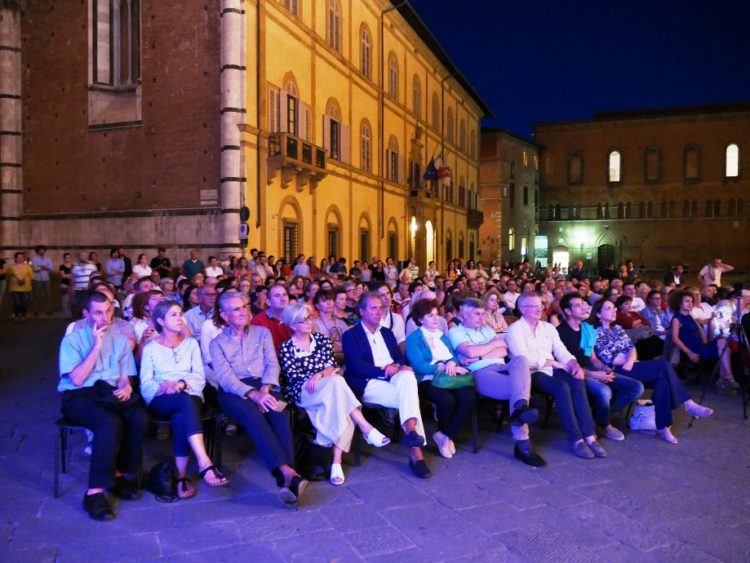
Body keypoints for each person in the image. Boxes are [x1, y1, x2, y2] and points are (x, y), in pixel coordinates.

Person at [209, 292, 308, 504]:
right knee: (253, 416)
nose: (244, 311)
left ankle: (287, 479)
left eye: (245, 305)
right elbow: (226, 378)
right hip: (235, 391)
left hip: (266, 385)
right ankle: (288, 473)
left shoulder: (262, 333)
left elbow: (272, 364)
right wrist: (253, 394)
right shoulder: (217, 343)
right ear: (224, 315)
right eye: (237, 308)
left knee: (279, 414)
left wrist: (265, 389)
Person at [58, 292, 148, 520]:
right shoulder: (72, 340)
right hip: (78, 395)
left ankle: (117, 475)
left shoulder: (119, 340)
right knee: (108, 422)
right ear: (86, 313)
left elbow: (125, 376)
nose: (105, 316)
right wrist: (96, 346)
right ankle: (94, 492)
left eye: (109, 310)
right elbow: (77, 379)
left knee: (139, 416)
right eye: (98, 312)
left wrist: (126, 387)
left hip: (107, 393)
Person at [279, 303, 389, 485]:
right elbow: (294, 378)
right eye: (302, 320)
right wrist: (319, 377)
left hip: (328, 386)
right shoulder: (287, 348)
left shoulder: (321, 340)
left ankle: (336, 461)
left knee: (337, 387)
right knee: (338, 385)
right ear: (292, 325)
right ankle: (365, 427)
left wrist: (319, 374)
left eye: (309, 318)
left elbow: (332, 366)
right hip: (303, 391)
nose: (308, 322)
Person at [590, 298, 714, 443]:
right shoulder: (594, 332)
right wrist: (626, 361)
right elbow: (606, 357)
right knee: (662, 365)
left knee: (662, 381)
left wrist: (630, 360)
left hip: (631, 365)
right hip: (615, 370)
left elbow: (631, 348)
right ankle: (687, 403)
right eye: (608, 308)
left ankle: (663, 427)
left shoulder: (617, 328)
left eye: (614, 308)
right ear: (598, 314)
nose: (613, 311)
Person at [139, 300, 227, 498]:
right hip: (161, 399)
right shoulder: (151, 348)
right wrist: (166, 388)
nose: (180, 318)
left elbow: (199, 376)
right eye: (174, 315)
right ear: (160, 320)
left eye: (180, 314)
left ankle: (181, 475)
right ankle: (204, 462)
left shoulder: (190, 344)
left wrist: (180, 384)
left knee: (183, 409)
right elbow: (145, 383)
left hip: (190, 393)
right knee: (183, 403)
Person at [506, 293, 607, 460]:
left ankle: (589, 436)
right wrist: (553, 363)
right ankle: (576, 439)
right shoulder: (515, 330)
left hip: (553, 368)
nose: (539, 309)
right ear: (522, 309)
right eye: (533, 306)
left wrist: (573, 363)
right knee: (561, 387)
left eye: (540, 305)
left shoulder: (548, 327)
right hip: (531, 374)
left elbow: (561, 351)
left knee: (577, 380)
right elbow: (523, 359)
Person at [342, 292, 431, 479]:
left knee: (407, 377)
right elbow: (357, 367)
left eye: (381, 308)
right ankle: (416, 453)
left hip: (394, 377)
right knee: (410, 397)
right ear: (361, 311)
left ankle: (412, 432)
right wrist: (386, 370)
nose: (379, 312)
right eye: (373, 308)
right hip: (368, 383)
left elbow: (399, 357)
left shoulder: (387, 333)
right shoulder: (351, 336)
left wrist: (397, 366)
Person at [447, 297, 544, 466]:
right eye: (477, 314)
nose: (481, 318)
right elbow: (468, 352)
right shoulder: (456, 331)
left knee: (521, 359)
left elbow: (503, 349)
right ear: (464, 313)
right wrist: (490, 347)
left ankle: (520, 407)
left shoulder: (486, 329)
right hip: (480, 373)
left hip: (502, 366)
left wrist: (481, 354)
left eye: (483, 314)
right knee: (520, 389)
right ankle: (523, 442)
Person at [556, 294, 643, 441]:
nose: (584, 307)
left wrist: (604, 369)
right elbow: (565, 366)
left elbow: (593, 358)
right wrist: (595, 375)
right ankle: (605, 424)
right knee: (604, 392)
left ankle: (596, 416)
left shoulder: (587, 329)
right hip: (574, 374)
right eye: (578, 305)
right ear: (568, 311)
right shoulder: (560, 332)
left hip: (591, 368)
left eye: (583, 304)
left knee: (636, 387)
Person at [406, 299, 477, 460]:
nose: (436, 318)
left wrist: (452, 362)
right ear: (420, 319)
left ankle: (444, 436)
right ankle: (446, 437)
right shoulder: (413, 339)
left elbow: (453, 357)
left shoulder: (442, 336)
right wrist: (441, 367)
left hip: (449, 377)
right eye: (430, 315)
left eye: (437, 315)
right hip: (427, 379)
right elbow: (418, 365)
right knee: (447, 400)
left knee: (469, 395)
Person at [669, 290, 739, 391]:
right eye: (687, 301)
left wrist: (706, 340)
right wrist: (689, 353)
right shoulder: (677, 319)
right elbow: (675, 339)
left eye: (691, 301)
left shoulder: (689, 316)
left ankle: (726, 378)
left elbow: (700, 330)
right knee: (723, 346)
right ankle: (725, 379)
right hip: (694, 349)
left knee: (724, 343)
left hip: (701, 345)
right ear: (679, 303)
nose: (690, 304)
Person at [251, 283, 292, 353]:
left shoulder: (296, 317)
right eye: (277, 296)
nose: (283, 299)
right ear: (268, 302)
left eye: (284, 295)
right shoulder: (258, 321)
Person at [8, 251, 33, 321]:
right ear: (15, 258)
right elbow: (8, 276)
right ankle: (16, 315)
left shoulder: (28, 267)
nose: (20, 259)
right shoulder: (12, 267)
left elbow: (32, 276)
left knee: (24, 303)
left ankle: (23, 315)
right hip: (14, 287)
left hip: (25, 287)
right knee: (17, 303)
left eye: (22, 257)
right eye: (18, 257)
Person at [30, 245, 53, 315]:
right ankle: (35, 310)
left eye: (43, 250)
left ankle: (48, 310)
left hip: (46, 278)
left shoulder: (48, 259)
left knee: (48, 295)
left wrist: (41, 267)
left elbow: (50, 268)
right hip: (37, 279)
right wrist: (44, 267)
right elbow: (34, 269)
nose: (42, 251)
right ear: (37, 251)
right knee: (36, 295)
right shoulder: (34, 259)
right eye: (40, 250)